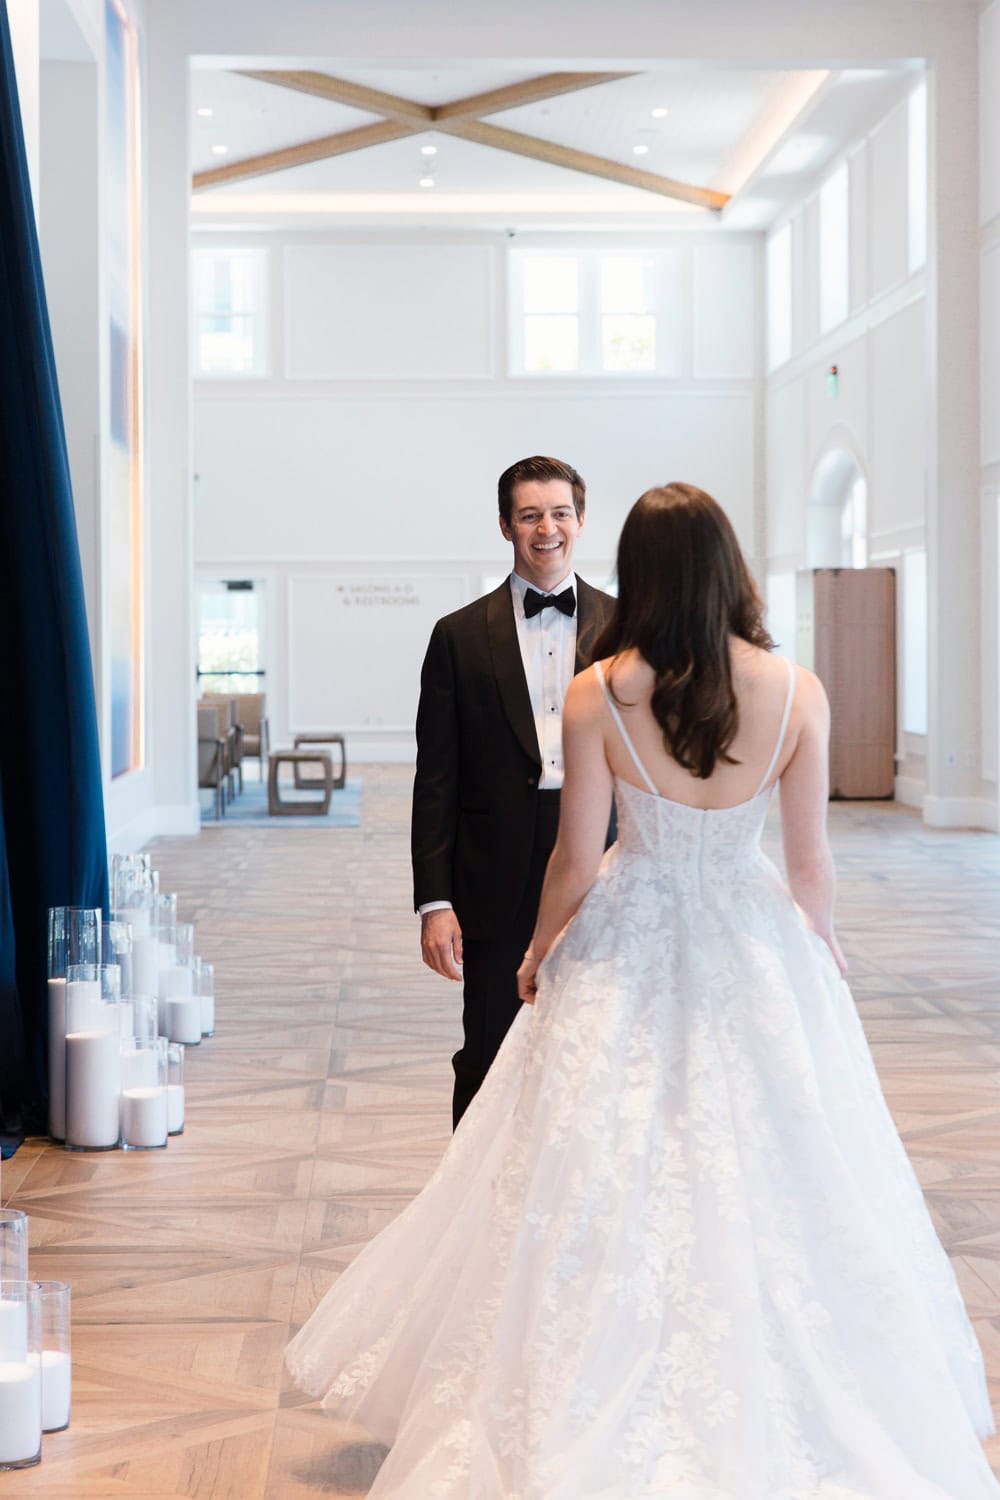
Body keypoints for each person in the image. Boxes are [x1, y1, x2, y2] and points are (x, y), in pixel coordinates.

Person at [287, 483, 999, 1498]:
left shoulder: (598, 690)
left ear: (642, 573)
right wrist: (823, 950)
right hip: (752, 947)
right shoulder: (797, 692)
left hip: (629, 938)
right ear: (729, 569)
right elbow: (809, 869)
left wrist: (538, 950)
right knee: (777, 1153)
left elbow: (577, 860)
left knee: (595, 1158)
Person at [410, 454, 615, 1127]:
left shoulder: (627, 629)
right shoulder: (459, 637)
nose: (546, 528)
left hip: (603, 871)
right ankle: (472, 1215)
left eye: (559, 513)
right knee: (490, 1053)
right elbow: (436, 779)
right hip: (491, 880)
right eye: (530, 515)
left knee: (597, 1050)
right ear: (505, 525)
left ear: (581, 521)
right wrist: (435, 903)